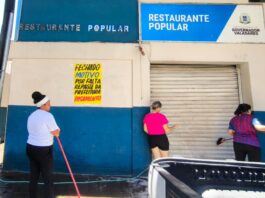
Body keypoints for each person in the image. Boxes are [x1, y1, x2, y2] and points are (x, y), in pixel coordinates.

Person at [27, 91, 60, 198]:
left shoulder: (32, 115)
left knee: (34, 176)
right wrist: (57, 130)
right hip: (43, 150)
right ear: (43, 104)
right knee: (48, 178)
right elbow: (56, 132)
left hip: (30, 148)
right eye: (49, 103)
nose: (50, 105)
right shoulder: (48, 116)